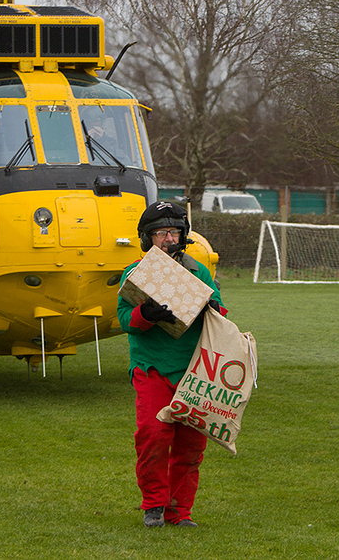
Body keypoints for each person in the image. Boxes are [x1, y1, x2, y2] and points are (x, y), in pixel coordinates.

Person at [116, 201, 227, 528]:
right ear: (147, 238)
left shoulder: (198, 270)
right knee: (153, 434)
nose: (167, 239)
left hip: (194, 370)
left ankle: (179, 512)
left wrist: (208, 307)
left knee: (191, 443)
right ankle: (154, 505)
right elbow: (125, 320)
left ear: (184, 235)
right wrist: (146, 315)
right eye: (160, 233)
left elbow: (221, 316)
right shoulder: (135, 273)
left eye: (173, 232)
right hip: (151, 368)